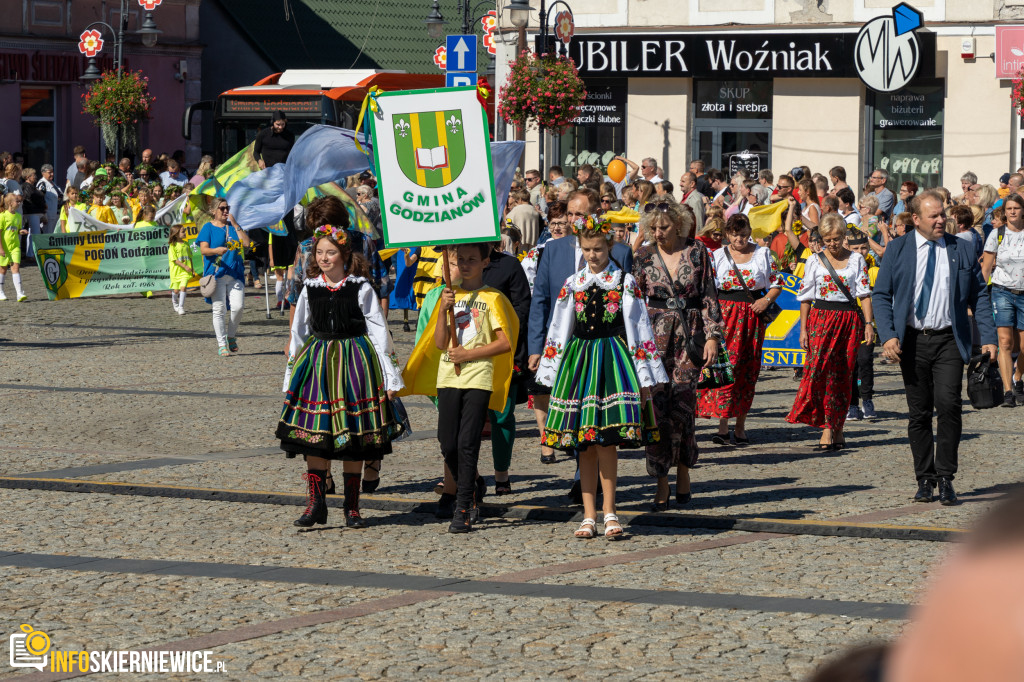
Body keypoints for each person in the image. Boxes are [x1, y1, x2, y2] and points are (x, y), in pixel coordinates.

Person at [538, 216, 667, 538]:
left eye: (597, 249)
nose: (592, 255)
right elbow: (559, 327)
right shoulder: (572, 283)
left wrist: (646, 375)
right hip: (579, 363)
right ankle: (588, 514)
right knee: (584, 443)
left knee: (607, 440)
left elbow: (639, 328)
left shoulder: (624, 282)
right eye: (586, 249)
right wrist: (550, 371)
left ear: (609, 246)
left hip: (612, 362)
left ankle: (610, 512)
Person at [873, 190, 997, 505]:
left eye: (943, 214)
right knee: (919, 412)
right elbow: (882, 294)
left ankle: (946, 476)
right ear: (916, 219)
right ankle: (925, 479)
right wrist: (887, 335)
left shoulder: (963, 249)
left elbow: (979, 296)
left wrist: (989, 337)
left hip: (948, 340)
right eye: (934, 215)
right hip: (912, 340)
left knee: (949, 405)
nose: (942, 219)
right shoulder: (898, 249)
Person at [278, 224, 404, 528]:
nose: (324, 257)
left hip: (355, 364)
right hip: (318, 363)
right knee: (314, 437)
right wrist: (290, 377)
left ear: (345, 254)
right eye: (319, 252)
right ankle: (316, 503)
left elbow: (378, 331)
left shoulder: (360, 286)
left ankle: (352, 506)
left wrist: (390, 377)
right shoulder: (310, 287)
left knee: (355, 437)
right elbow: (299, 333)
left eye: (330, 252)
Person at [401, 243, 518, 533]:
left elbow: (504, 342)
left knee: (468, 442)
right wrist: (443, 310)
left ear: (485, 262)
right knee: (447, 441)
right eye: (460, 260)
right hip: (448, 376)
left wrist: (469, 354)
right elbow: (440, 342)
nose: (465, 265)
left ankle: (464, 505)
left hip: (478, 375)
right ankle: (473, 483)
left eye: (472, 260)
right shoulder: (448, 295)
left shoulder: (493, 298)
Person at [527, 190, 634, 495]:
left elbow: (630, 308)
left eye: (581, 215)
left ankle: (583, 477)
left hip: (602, 346)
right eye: (570, 214)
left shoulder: (621, 253)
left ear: (595, 217)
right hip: (564, 345)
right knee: (570, 408)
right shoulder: (553, 248)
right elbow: (541, 302)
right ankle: (583, 470)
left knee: (594, 409)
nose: (574, 221)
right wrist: (536, 348)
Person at [633, 198, 723, 509]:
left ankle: (684, 471)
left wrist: (713, 337)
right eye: (653, 227)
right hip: (653, 339)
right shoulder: (643, 255)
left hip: (691, 335)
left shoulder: (698, 251)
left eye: (665, 226)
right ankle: (660, 480)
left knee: (683, 404)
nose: (658, 232)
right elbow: (633, 301)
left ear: (679, 224)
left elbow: (710, 294)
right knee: (656, 409)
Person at [786, 213, 873, 450]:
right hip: (821, 319)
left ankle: (838, 427)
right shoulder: (814, 260)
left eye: (836, 238)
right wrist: (803, 330)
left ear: (844, 236)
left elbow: (864, 295)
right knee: (819, 373)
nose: (832, 243)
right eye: (827, 239)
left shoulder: (856, 260)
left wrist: (868, 324)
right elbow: (805, 298)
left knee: (843, 375)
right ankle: (826, 426)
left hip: (848, 319)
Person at [697, 214, 781, 445]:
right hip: (724, 316)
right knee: (725, 367)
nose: (739, 239)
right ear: (727, 234)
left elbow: (776, 283)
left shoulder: (763, 254)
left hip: (752, 316)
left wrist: (766, 301)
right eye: (734, 235)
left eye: (743, 235)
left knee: (747, 368)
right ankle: (723, 425)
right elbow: (707, 288)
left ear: (749, 232)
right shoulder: (716, 256)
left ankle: (741, 425)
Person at [520, 200, 568, 464]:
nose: (558, 227)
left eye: (563, 222)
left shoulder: (578, 250)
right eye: (554, 223)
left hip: (569, 325)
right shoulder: (537, 254)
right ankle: (546, 439)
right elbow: (529, 291)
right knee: (541, 386)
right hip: (543, 323)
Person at [981, 193, 1024, 407]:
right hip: (1002, 290)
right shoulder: (997, 234)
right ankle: (1008, 391)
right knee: (1005, 342)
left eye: (1016, 208)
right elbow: (986, 267)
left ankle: (1018, 379)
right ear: (1004, 212)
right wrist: (978, 294)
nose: (1013, 212)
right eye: (1009, 209)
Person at [198, 198, 251, 356]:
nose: (226, 211)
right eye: (222, 208)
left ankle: (231, 336)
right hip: (217, 273)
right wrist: (216, 251)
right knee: (219, 309)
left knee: (238, 307)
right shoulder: (208, 228)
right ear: (213, 211)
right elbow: (204, 250)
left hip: (235, 273)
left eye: (227, 207)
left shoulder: (233, 227)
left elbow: (247, 243)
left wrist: (235, 225)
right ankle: (222, 344)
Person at [845, 230, 879, 420]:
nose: (860, 252)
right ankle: (852, 403)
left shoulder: (874, 271)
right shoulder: (845, 268)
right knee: (850, 365)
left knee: (865, 361)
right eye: (855, 248)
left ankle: (867, 399)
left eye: (863, 247)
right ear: (848, 247)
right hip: (848, 322)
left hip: (867, 323)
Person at [0, 194, 27, 301]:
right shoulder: (2, 216)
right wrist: (0, 248)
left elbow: (17, 230)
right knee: (3, 269)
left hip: (15, 246)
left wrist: (21, 231)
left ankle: (19, 293)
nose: (19, 203)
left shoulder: (18, 216)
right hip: (4, 247)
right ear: (10, 203)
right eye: (17, 201)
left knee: (16, 268)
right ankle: (1, 291)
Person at [389, 247, 420, 332]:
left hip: (416, 249)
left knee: (417, 283)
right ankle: (406, 320)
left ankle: (418, 318)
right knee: (405, 286)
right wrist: (394, 263)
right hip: (403, 251)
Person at [167, 224, 194, 315]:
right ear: (176, 234)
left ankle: (181, 307)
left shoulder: (186, 244)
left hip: (185, 272)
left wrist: (192, 269)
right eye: (183, 231)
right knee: (176, 290)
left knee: (183, 287)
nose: (185, 233)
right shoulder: (172, 246)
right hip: (176, 272)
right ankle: (175, 303)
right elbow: (174, 260)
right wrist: (184, 266)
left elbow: (190, 257)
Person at [36, 165, 60, 232]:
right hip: (47, 217)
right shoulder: (42, 184)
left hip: (54, 215)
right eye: (50, 172)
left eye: (52, 172)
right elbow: (40, 200)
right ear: (43, 173)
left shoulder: (52, 183)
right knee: (47, 237)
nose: (52, 174)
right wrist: (43, 215)